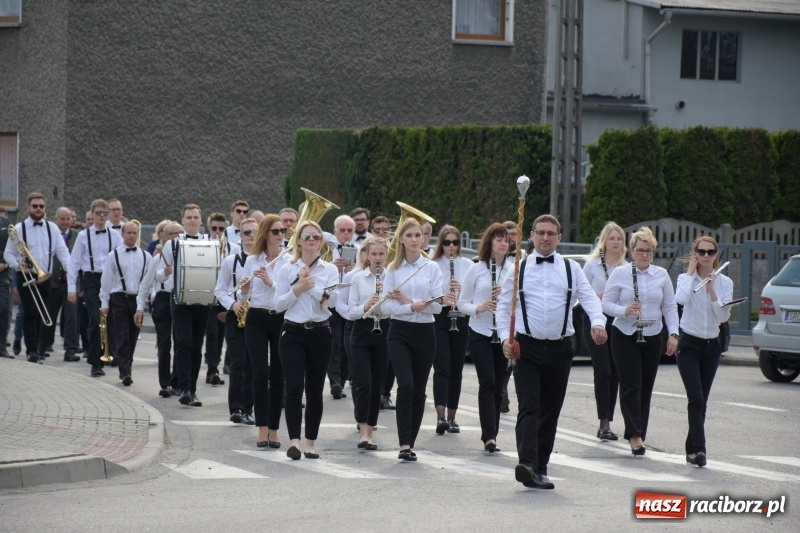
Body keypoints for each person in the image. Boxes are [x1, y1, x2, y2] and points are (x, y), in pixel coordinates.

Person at [497, 214, 607, 489]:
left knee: (550, 411)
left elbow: (591, 300)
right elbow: (502, 308)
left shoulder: (572, 269)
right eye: (540, 233)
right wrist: (503, 340)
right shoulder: (517, 269)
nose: (545, 238)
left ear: (559, 238)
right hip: (527, 348)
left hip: (560, 348)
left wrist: (597, 323)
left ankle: (540, 467)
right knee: (528, 407)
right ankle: (527, 464)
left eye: (551, 233)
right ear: (531, 236)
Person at [602, 226, 679, 456]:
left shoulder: (661, 275)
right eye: (640, 250)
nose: (644, 255)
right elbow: (606, 304)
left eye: (648, 251)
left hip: (653, 334)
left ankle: (640, 432)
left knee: (645, 387)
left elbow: (670, 306)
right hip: (625, 334)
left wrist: (673, 334)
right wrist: (624, 310)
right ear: (632, 251)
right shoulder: (621, 273)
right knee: (631, 385)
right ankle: (634, 434)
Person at [381, 219, 453, 462]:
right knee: (406, 385)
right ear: (401, 239)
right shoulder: (392, 269)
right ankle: (403, 443)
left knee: (419, 390)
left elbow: (435, 307)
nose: (414, 239)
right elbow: (387, 306)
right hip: (399, 332)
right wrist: (412, 305)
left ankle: (410, 442)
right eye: (409, 235)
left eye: (418, 235)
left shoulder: (431, 268)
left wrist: (408, 302)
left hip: (425, 333)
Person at [274, 220, 340, 460]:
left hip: (320, 332)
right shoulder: (286, 269)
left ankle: (310, 443)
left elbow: (332, 302)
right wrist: (297, 288)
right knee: (293, 387)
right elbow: (278, 305)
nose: (312, 240)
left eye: (316, 236)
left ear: (321, 242)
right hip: (292, 331)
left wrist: (309, 286)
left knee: (314, 389)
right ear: (299, 241)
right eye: (307, 236)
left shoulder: (330, 270)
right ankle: (294, 441)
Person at [675, 236, 733, 468]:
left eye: (710, 252)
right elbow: (681, 299)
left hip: (711, 345)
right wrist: (690, 276)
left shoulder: (724, 283)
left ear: (716, 255)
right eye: (701, 252)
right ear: (695, 254)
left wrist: (712, 292)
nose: (706, 256)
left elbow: (723, 316)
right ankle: (700, 449)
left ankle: (691, 450)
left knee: (702, 401)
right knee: (696, 398)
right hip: (689, 344)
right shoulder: (684, 278)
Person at [458, 222, 512, 452]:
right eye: (498, 239)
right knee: (487, 381)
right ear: (489, 242)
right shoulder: (476, 269)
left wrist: (507, 296)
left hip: (502, 333)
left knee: (499, 384)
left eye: (506, 239)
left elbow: (521, 303)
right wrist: (479, 308)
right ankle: (489, 436)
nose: (503, 243)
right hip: (480, 331)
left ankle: (494, 433)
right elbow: (461, 304)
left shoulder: (514, 269)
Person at [157, 204, 213, 407]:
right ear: (182, 221)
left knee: (197, 346)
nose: (192, 220)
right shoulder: (172, 245)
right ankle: (185, 388)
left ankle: (193, 390)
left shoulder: (210, 242)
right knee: (183, 342)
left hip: (202, 299)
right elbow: (158, 275)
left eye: (195, 217)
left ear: (201, 220)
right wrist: (166, 272)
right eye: (188, 217)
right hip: (179, 299)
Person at [5, 193, 72, 364]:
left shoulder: (52, 228)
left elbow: (62, 252)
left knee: (43, 314)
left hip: (45, 276)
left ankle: (39, 348)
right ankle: (32, 351)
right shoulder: (20, 228)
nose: (38, 209)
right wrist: (18, 265)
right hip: (25, 276)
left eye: (41, 206)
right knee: (30, 312)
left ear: (45, 208)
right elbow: (8, 254)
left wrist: (70, 269)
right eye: (35, 206)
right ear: (28, 208)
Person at [241, 214, 288, 448]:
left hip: (280, 317)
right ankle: (261, 428)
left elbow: (290, 292)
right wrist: (245, 288)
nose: (281, 235)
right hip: (257, 317)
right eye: (276, 231)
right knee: (260, 373)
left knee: (279, 374)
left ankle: (274, 429)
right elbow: (243, 295)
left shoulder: (289, 260)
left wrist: (270, 282)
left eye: (283, 231)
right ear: (266, 234)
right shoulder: (253, 260)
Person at [582, 222, 628, 441]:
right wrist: (599, 296)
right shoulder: (592, 265)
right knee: (603, 370)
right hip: (594, 320)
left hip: (617, 320)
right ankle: (603, 423)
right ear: (604, 241)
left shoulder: (625, 267)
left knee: (616, 373)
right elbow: (582, 296)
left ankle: (609, 420)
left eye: (619, 238)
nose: (616, 242)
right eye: (612, 238)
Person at [69, 199, 123, 375]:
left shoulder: (115, 236)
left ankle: (108, 354)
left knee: (109, 319)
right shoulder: (83, 236)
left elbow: (119, 259)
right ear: (92, 214)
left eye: (104, 213)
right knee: (95, 319)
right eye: (98, 213)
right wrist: (72, 288)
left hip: (109, 279)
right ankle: (95, 363)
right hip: (91, 279)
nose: (101, 216)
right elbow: (74, 263)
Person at [215, 218, 258, 426]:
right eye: (247, 233)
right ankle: (237, 408)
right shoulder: (229, 262)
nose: (251, 236)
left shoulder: (266, 261)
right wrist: (232, 304)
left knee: (252, 364)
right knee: (238, 362)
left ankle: (249, 408)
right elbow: (220, 290)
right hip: (237, 315)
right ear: (240, 236)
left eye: (255, 233)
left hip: (257, 316)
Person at [348, 237, 390, 450]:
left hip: (384, 330)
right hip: (362, 332)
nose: (377, 258)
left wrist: (385, 298)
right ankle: (363, 431)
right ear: (365, 255)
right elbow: (350, 311)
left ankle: (370, 428)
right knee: (364, 381)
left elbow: (397, 308)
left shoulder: (391, 278)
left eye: (381, 254)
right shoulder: (358, 278)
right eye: (373, 254)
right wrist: (367, 306)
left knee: (377, 385)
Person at [431, 225, 472, 435]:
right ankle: (440, 417)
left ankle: (452, 417)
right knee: (442, 366)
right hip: (440, 316)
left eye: (455, 242)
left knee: (456, 369)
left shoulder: (467, 265)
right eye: (447, 242)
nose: (451, 247)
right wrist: (443, 294)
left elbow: (473, 294)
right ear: (441, 244)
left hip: (461, 317)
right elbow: (428, 291)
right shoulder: (433, 264)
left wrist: (461, 289)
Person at [100, 222, 152, 385]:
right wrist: (104, 302)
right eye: (128, 232)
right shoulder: (113, 255)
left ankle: (126, 366)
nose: (131, 235)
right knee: (121, 335)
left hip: (137, 299)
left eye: (134, 233)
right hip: (119, 298)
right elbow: (106, 281)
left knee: (133, 336)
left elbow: (149, 281)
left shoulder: (146, 256)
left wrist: (146, 300)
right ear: (122, 234)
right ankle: (125, 372)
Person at [136, 222, 182, 397]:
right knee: (164, 343)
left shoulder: (186, 256)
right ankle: (165, 383)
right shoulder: (157, 259)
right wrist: (140, 308)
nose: (177, 238)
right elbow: (145, 285)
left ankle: (178, 382)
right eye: (172, 234)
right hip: (163, 299)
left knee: (181, 342)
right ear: (163, 237)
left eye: (180, 234)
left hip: (180, 299)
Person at [325, 214, 358, 399]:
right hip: (331, 301)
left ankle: (342, 380)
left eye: (349, 231)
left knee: (347, 345)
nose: (346, 234)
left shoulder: (360, 249)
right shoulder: (327, 249)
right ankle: (335, 381)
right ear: (335, 231)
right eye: (342, 230)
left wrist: (353, 272)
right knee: (334, 343)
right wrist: (332, 266)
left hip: (349, 301)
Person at [42, 207, 80, 362]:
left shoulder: (77, 236)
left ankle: (70, 349)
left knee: (71, 316)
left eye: (68, 219)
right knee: (48, 314)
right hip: (53, 282)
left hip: (71, 283)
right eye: (62, 219)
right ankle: (42, 346)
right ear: (56, 219)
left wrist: (80, 285)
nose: (66, 222)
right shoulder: (50, 234)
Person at [204, 212, 230, 384]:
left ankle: (217, 365)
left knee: (222, 335)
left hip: (225, 297)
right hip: (208, 295)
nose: (218, 232)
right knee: (212, 335)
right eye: (214, 228)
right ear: (208, 228)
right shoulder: (203, 246)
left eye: (221, 228)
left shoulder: (232, 248)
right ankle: (212, 371)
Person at [0, 208, 11, 359]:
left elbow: (12, 250)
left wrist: (5, 263)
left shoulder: (6, 224)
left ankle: (1, 347)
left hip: (2, 274)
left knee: (2, 309)